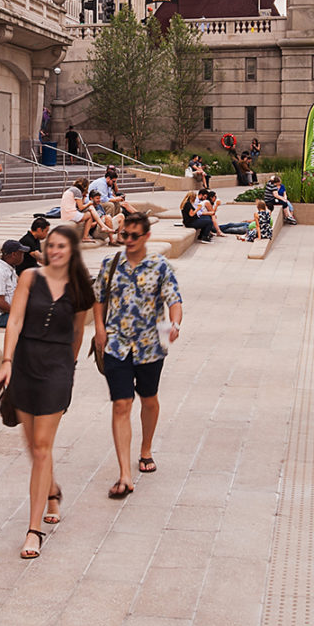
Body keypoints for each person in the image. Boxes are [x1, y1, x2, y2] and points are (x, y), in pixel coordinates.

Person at [0, 222, 93, 560]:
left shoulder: (81, 288)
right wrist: (6, 361)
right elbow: (15, 321)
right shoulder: (29, 278)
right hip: (24, 364)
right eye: (51, 245)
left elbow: (79, 333)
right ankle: (51, 491)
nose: (54, 251)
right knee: (32, 445)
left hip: (57, 369)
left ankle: (34, 529)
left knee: (40, 448)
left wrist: (69, 368)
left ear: (72, 252)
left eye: (61, 247)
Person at [93, 212, 184, 498]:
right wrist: (99, 328)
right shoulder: (111, 264)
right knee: (121, 404)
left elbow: (174, 299)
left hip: (149, 346)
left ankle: (145, 449)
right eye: (124, 235)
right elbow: (99, 298)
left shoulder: (159, 266)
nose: (128, 240)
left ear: (146, 236)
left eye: (134, 235)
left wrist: (175, 323)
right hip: (116, 345)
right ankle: (124, 474)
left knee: (149, 399)